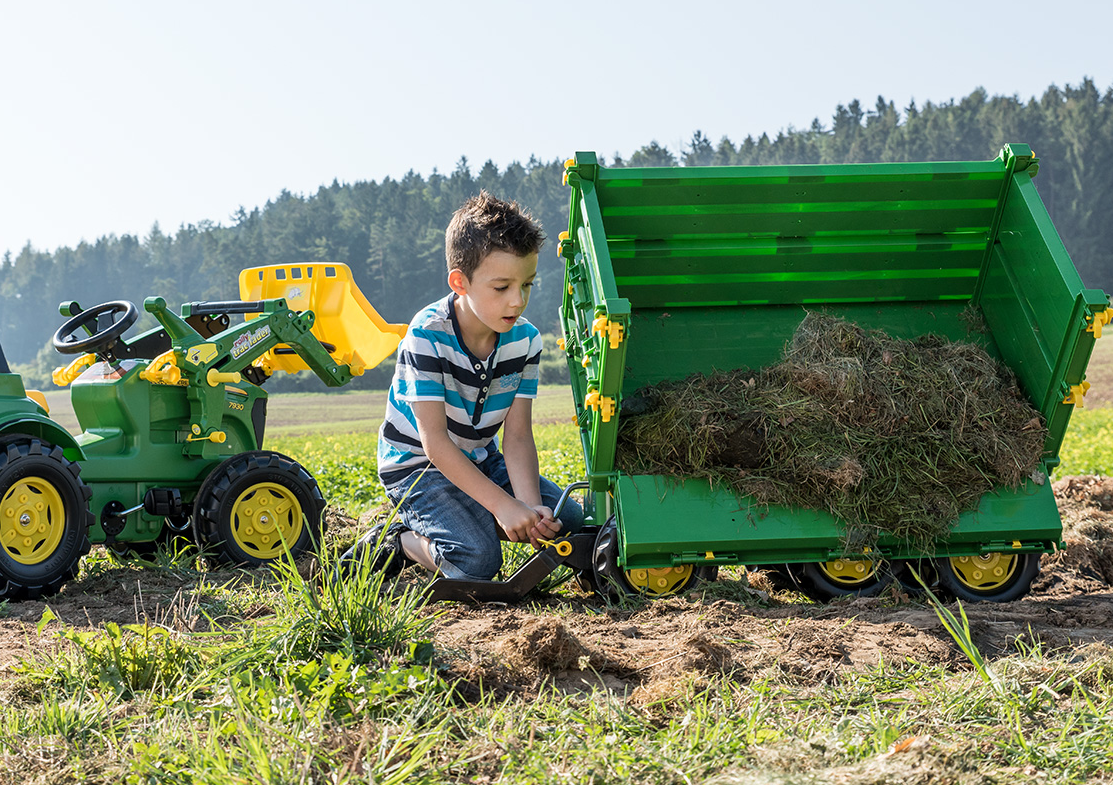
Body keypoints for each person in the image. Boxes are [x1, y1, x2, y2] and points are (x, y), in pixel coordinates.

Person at [346, 191, 583, 580]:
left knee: (570, 521)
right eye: (501, 287)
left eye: (527, 285)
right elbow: (435, 444)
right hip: (417, 468)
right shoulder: (426, 335)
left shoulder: (525, 341)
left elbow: (518, 437)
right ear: (460, 282)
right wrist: (504, 508)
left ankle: (470, 520)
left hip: (480, 459)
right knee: (476, 562)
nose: (517, 300)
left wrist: (526, 507)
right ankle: (398, 543)